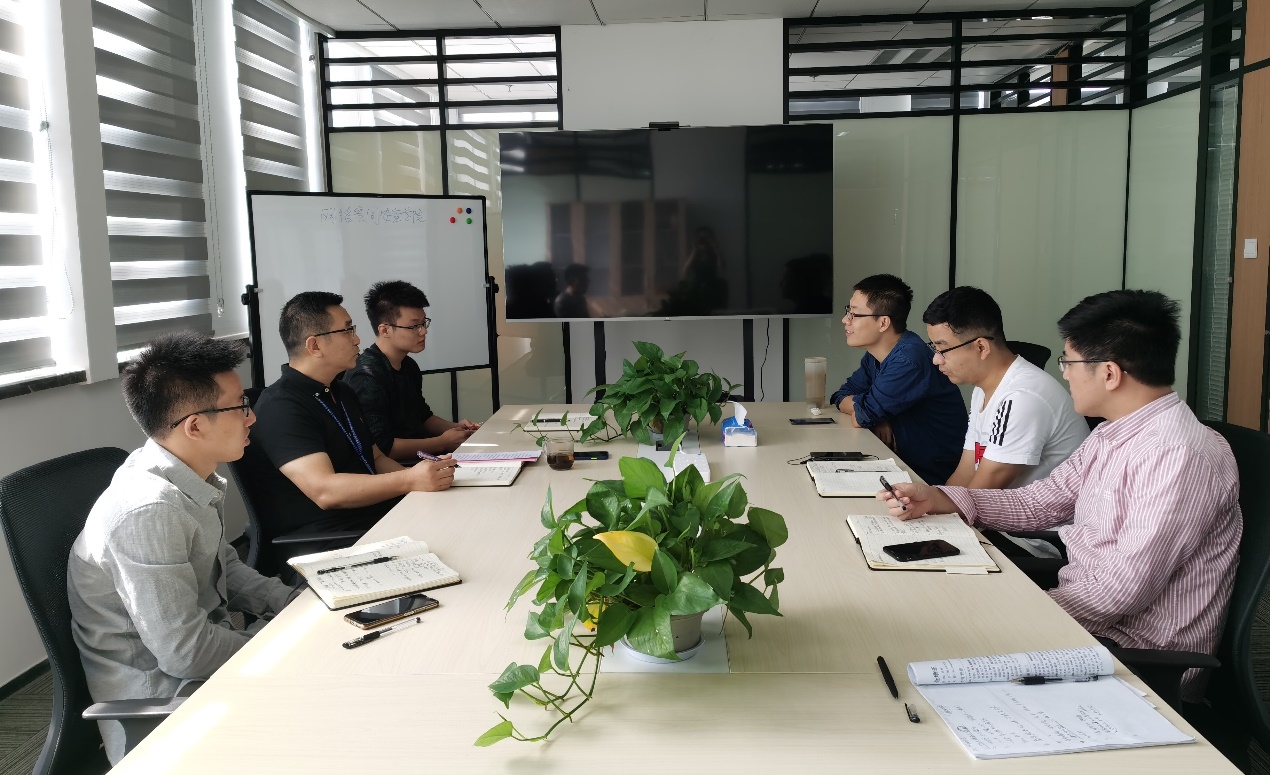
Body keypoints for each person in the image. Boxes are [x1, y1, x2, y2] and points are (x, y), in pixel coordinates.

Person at [879, 290, 1241, 700]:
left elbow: (1119, 591)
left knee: (929, 661)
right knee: (921, 633)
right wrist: (942, 499)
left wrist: (1010, 610)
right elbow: (1040, 502)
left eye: (1068, 362)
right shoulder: (1112, 433)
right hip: (1087, 624)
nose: (1064, 374)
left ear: (1109, 373)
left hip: (1139, 660)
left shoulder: (1179, 455)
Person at [67, 333, 300, 764]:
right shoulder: (147, 511)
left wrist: (292, 604)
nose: (251, 416)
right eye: (240, 405)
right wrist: (279, 639)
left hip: (208, 670)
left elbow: (223, 564)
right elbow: (186, 654)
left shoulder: (186, 478)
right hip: (169, 709)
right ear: (195, 426)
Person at [236, 292, 454, 539]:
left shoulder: (341, 391)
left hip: (378, 515)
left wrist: (420, 484)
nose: (357, 339)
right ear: (315, 346)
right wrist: (409, 480)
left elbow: (376, 457)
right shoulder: (281, 406)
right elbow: (326, 492)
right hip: (336, 537)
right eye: (347, 330)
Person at [922, 286, 1089, 558]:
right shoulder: (984, 388)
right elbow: (965, 473)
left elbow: (982, 489)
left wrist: (933, 515)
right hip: (998, 527)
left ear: (981, 347)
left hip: (1034, 542)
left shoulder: (1022, 397)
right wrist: (930, 505)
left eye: (942, 348)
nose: (935, 359)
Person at [830, 274, 967, 485]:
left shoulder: (908, 359)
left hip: (930, 475)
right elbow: (841, 395)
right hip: (899, 461)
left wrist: (869, 413)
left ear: (883, 322)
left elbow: (862, 416)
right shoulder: (875, 355)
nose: (845, 320)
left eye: (854, 314)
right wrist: (877, 416)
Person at [345, 280, 480, 462]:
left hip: (421, 460)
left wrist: (456, 428)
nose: (423, 331)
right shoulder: (366, 376)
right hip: (395, 470)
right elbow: (383, 448)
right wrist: (442, 442)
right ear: (385, 330)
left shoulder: (408, 365)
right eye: (414, 326)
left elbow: (422, 417)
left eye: (424, 323)